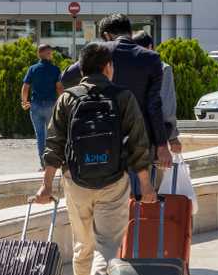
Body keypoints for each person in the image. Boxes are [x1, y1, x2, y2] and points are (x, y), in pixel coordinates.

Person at [32, 41, 157, 275]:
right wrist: (146, 186)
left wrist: (46, 186)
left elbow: (54, 145)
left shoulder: (68, 99)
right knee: (108, 244)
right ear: (107, 67)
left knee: (82, 245)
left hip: (76, 182)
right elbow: (139, 145)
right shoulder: (122, 97)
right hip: (113, 182)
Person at [63, 15, 173, 166]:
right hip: (141, 138)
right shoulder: (151, 58)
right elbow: (154, 104)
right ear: (130, 31)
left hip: (103, 134)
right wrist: (162, 144)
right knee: (141, 185)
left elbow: (67, 77)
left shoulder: (100, 52)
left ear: (107, 35)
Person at [131, 32, 182, 157]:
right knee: (152, 174)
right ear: (150, 47)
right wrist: (172, 137)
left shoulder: (125, 68)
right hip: (154, 134)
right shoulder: (163, 68)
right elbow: (167, 107)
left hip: (129, 134)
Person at [20, 43, 62, 166]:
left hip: (36, 106)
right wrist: (61, 103)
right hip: (51, 105)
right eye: (49, 53)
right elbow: (59, 88)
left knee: (40, 135)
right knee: (51, 135)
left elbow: (25, 87)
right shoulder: (55, 69)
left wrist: (24, 102)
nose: (51, 55)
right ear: (41, 54)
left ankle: (43, 163)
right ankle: (51, 163)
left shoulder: (32, 69)